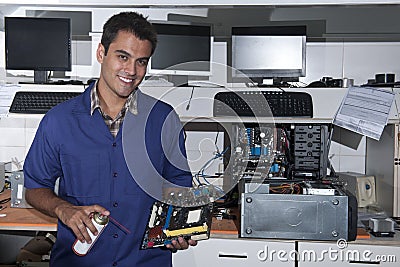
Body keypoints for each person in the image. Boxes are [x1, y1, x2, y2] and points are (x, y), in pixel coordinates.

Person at [23, 11, 196, 267]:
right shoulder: (58, 120)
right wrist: (63, 209)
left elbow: (178, 185)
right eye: (122, 57)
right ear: (101, 53)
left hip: (146, 261)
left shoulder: (164, 119)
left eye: (141, 61)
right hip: (79, 261)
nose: (131, 70)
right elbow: (35, 188)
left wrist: (178, 225)